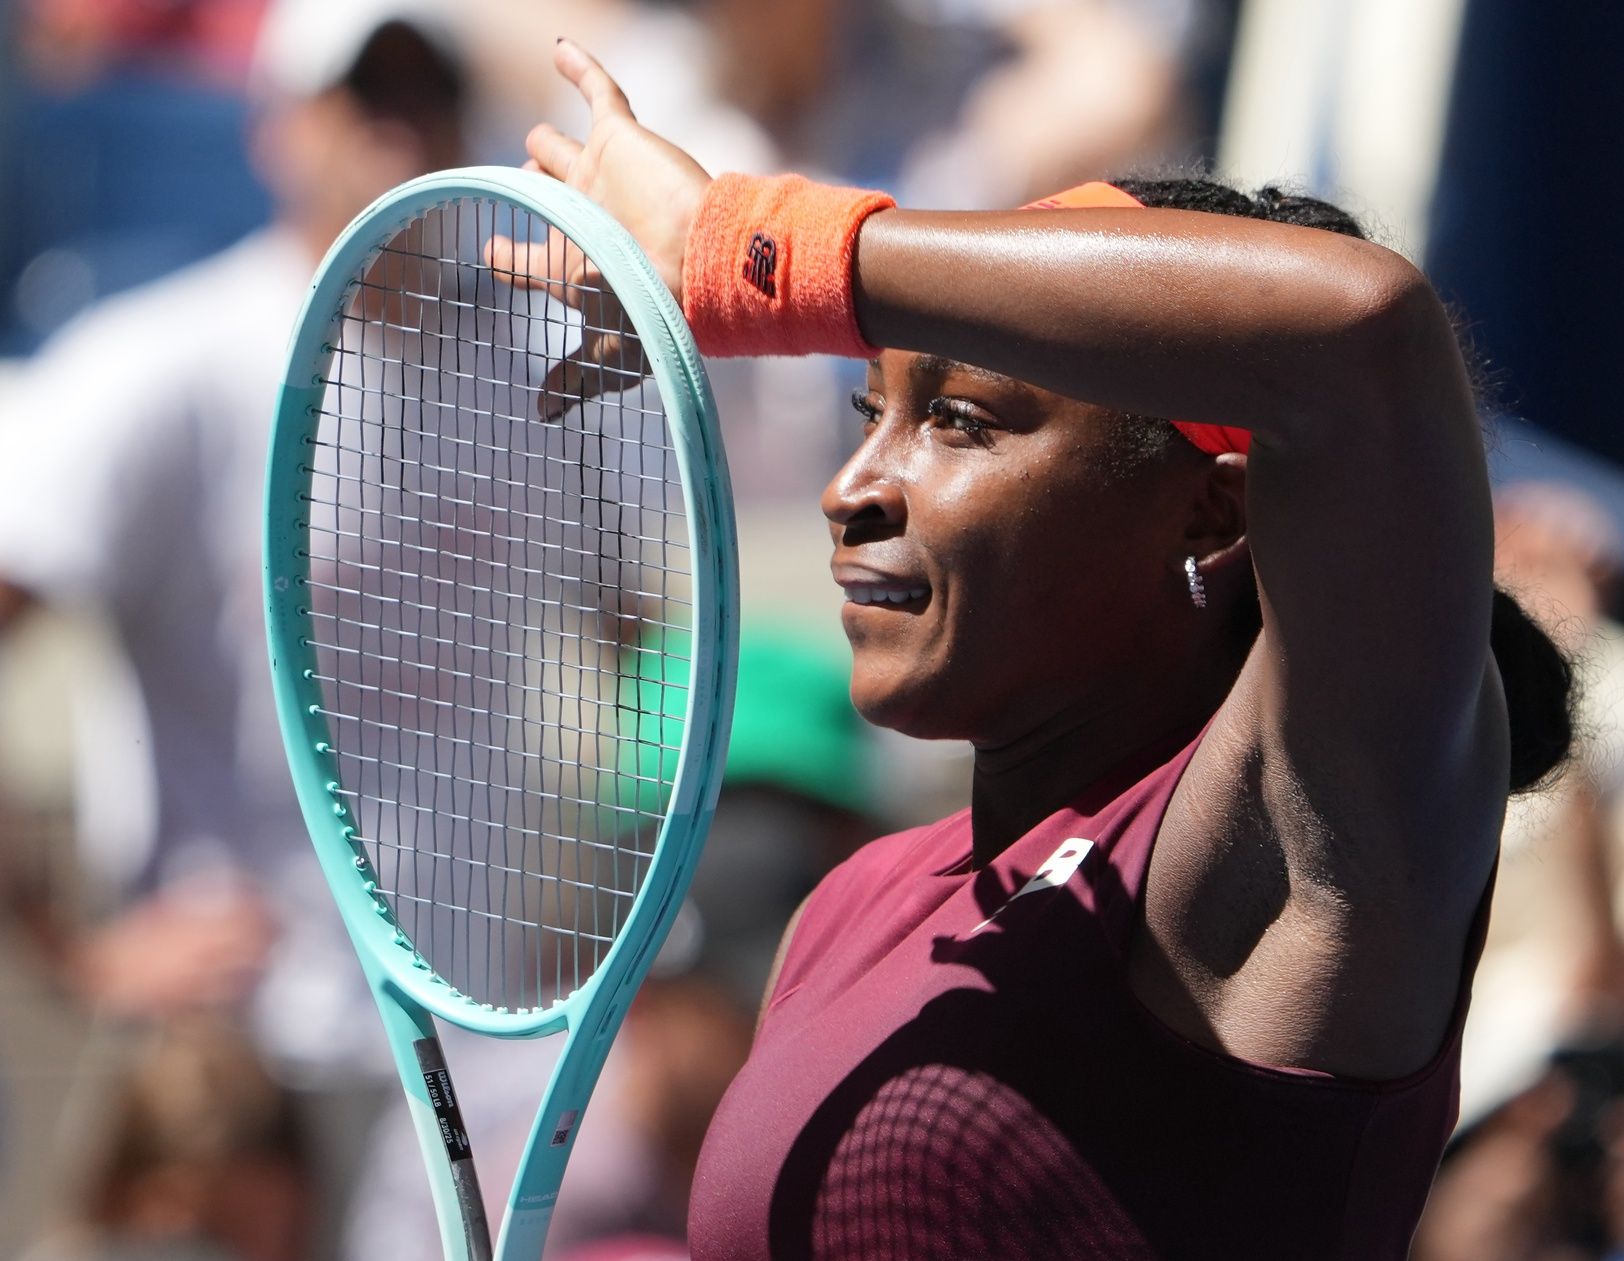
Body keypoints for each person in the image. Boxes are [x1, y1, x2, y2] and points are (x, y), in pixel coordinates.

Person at [502, 40, 1575, 1259]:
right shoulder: (851, 906)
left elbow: (1359, 337)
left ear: (1215, 512)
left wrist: (752, 251)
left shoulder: (1285, 834)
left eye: (957, 421)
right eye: (873, 416)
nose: (853, 487)